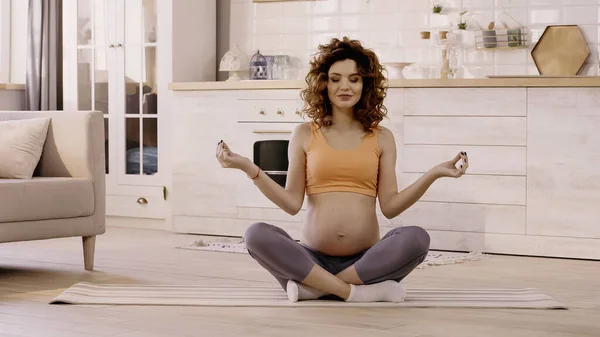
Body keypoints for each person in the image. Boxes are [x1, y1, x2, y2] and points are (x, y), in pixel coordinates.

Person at [216, 37, 469, 303]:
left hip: (365, 261)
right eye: (335, 79)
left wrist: (434, 173)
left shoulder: (382, 137)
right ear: (323, 84)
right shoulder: (303, 134)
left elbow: (390, 207)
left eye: (354, 79)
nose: (344, 86)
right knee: (256, 235)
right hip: (311, 257)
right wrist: (247, 167)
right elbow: (291, 203)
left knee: (416, 238)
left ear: (366, 84)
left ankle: (315, 288)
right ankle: (356, 292)